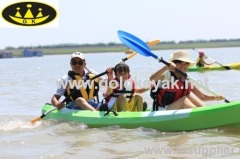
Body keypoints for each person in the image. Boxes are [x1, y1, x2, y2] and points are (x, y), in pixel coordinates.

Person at [150, 50, 225, 110]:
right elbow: (152, 78)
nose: (183, 65)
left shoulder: (187, 78)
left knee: (189, 95)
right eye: (180, 63)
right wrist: (166, 67)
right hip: (162, 110)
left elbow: (202, 96)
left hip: (175, 108)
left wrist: (216, 97)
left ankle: (203, 111)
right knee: (184, 99)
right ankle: (199, 114)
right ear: (173, 63)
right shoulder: (167, 75)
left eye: (186, 63)